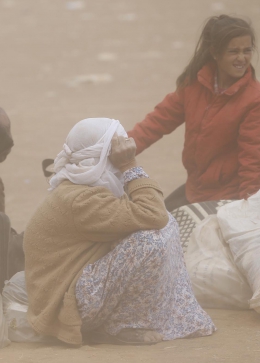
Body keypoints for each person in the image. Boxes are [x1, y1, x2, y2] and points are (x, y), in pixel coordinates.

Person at [24, 118, 215, 346]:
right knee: (150, 239)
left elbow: (152, 213)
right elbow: (153, 213)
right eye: (116, 149)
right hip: (65, 305)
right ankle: (121, 327)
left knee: (162, 225)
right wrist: (130, 165)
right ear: (105, 155)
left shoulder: (86, 186)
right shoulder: (81, 199)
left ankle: (146, 317)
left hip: (75, 285)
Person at [127, 15, 260, 212]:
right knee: (155, 227)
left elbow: (254, 160)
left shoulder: (256, 101)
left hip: (229, 197)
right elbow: (157, 122)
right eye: (233, 51)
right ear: (215, 52)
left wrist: (249, 208)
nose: (242, 58)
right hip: (194, 189)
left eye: (247, 51)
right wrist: (122, 150)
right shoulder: (194, 84)